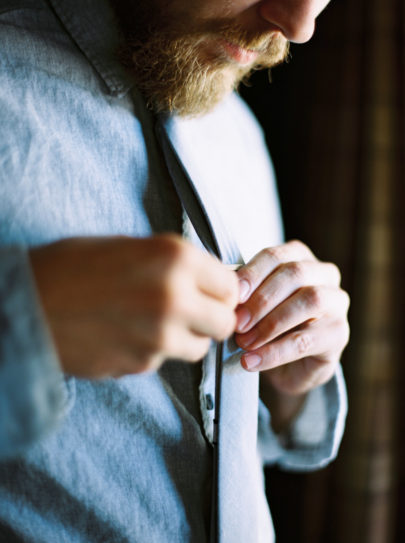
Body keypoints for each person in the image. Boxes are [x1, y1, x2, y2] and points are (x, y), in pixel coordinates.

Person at [0, 0, 349, 541]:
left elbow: (225, 445)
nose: (299, 26)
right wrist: (25, 321)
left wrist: (289, 384)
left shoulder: (239, 133)